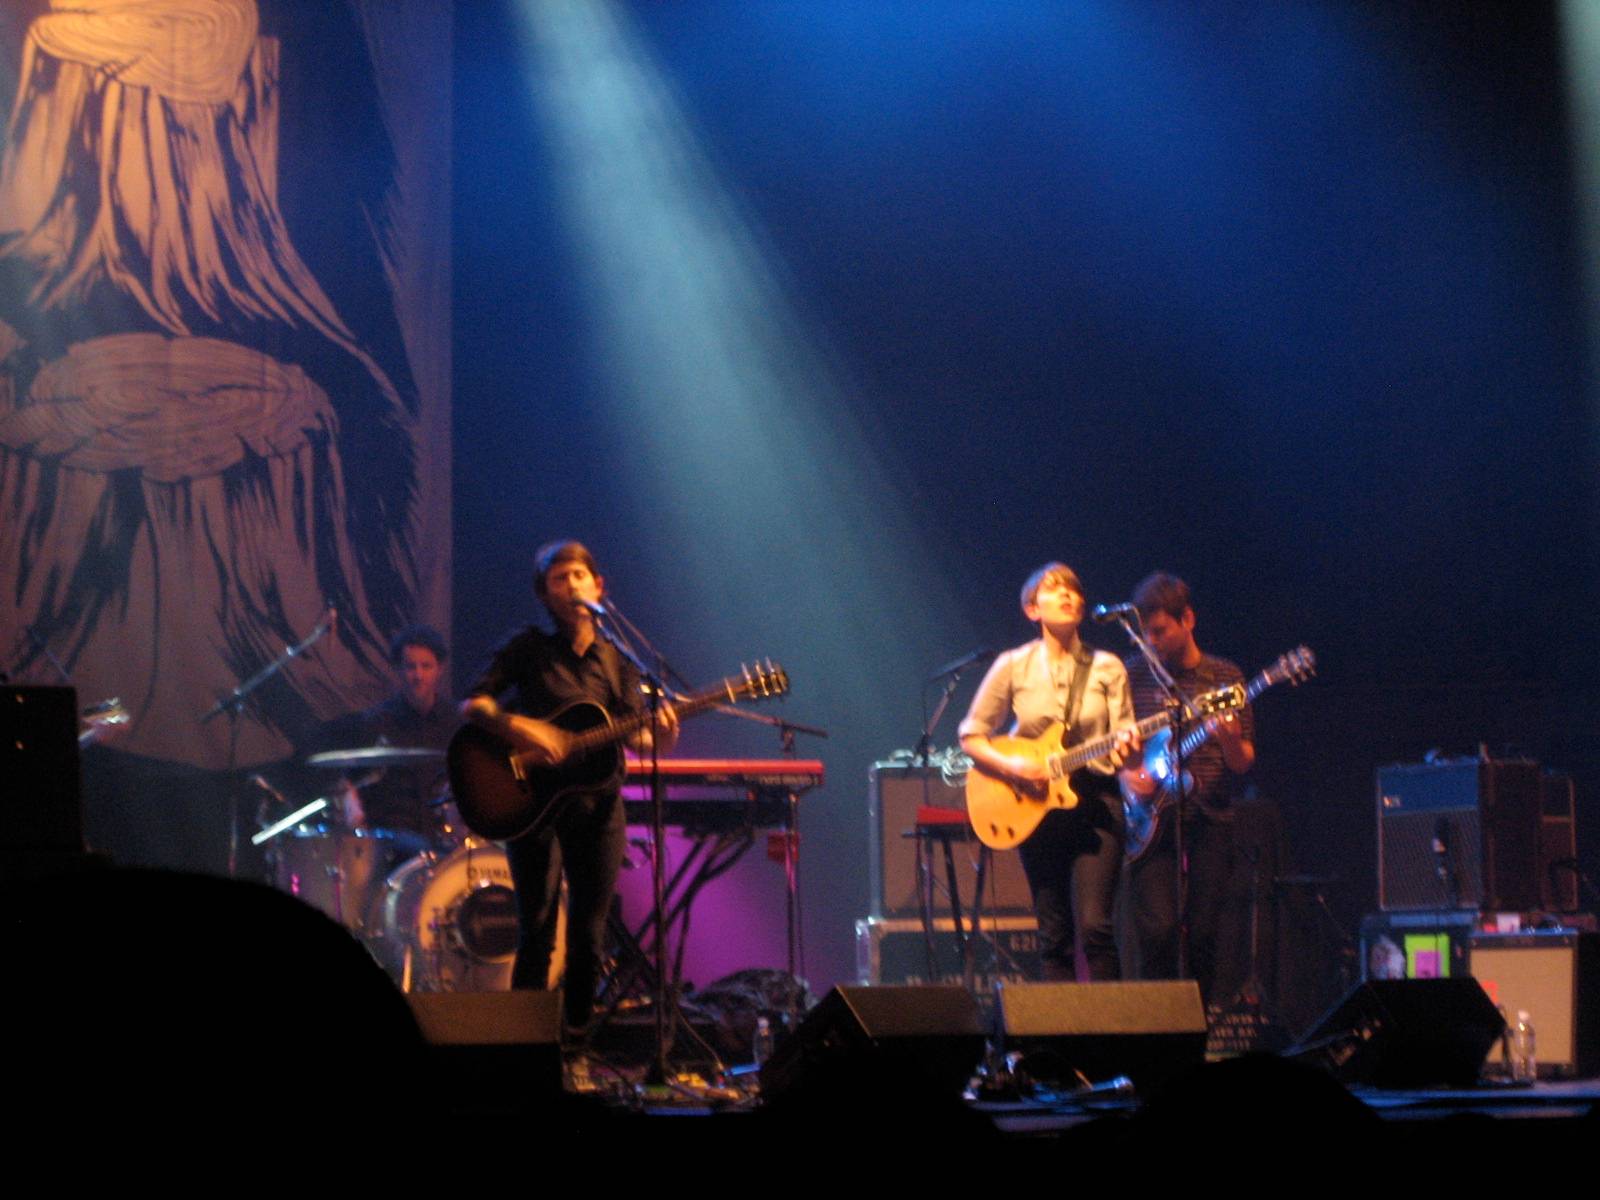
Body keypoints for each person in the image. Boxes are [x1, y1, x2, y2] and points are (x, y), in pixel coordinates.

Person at [460, 540, 678, 1035]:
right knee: (536, 932)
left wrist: (659, 735)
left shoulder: (617, 660)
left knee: (589, 938)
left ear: (598, 586)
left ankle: (577, 1048)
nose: (571, 585)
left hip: (599, 808)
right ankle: (523, 1049)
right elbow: (473, 705)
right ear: (544, 593)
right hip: (532, 808)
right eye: (559, 578)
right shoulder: (528, 649)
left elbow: (637, 735)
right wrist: (525, 728)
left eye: (579, 575)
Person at [959, 563, 1138, 981]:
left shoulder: (1108, 666)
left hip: (1097, 802)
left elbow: (1127, 750)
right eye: (1055, 589)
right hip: (1036, 806)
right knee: (1053, 933)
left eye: (1074, 590)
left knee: (1096, 927)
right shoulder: (1013, 665)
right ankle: (1059, 1043)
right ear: (1031, 609)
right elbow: (971, 735)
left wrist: (1131, 747)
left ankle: (1115, 1038)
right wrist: (1015, 765)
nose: (1068, 596)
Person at [1120, 572, 1255, 1008]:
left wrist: (1229, 737)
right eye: (1146, 632)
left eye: (1160, 631)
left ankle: (1197, 1030)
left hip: (1210, 817)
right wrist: (1128, 776)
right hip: (1150, 817)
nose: (1152, 641)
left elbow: (1242, 761)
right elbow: (1116, 746)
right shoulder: (1132, 675)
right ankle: (1157, 1031)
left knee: (1205, 931)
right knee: (1156, 930)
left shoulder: (1225, 676)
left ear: (1188, 619)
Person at [325, 624, 456, 857]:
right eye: (410, 667)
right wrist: (351, 805)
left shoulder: (455, 722)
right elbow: (347, 781)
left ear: (440, 669)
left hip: (445, 832)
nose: (418, 675)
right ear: (398, 670)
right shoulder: (376, 723)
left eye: (426, 666)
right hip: (392, 838)